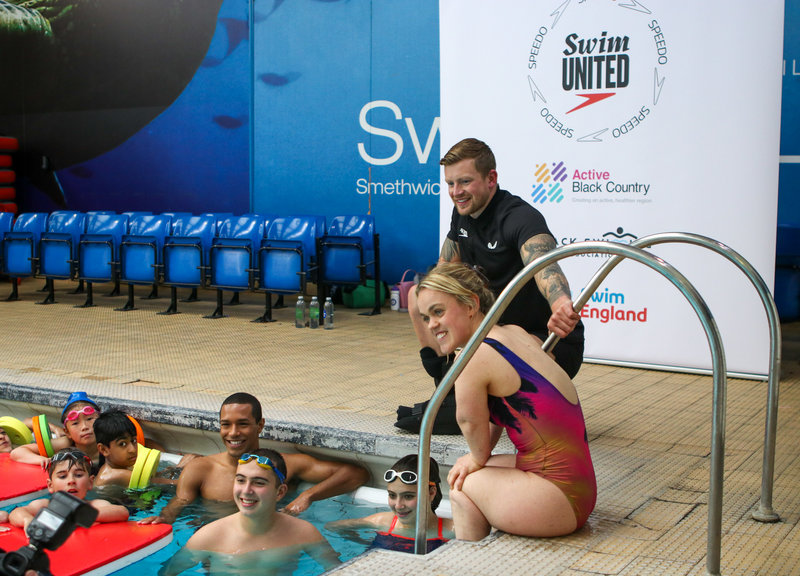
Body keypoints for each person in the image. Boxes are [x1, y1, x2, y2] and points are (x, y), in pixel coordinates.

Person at [399, 139, 585, 433]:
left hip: (543, 341)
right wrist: (425, 302)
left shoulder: (519, 217)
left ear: (491, 179)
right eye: (450, 183)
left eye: (465, 182)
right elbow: (443, 272)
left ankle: (470, 403)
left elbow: (546, 266)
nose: (456, 192)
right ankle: (446, 381)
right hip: (495, 334)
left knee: (492, 342)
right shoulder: (462, 212)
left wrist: (561, 304)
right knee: (417, 297)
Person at [416, 263, 596, 540]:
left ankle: (465, 563)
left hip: (557, 501)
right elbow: (501, 410)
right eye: (426, 317)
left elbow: (468, 420)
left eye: (438, 312)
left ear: (470, 305)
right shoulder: (514, 332)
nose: (432, 325)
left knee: (462, 484)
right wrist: (480, 458)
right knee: (481, 469)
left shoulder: (473, 356)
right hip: (581, 488)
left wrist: (476, 458)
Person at [140, 392, 369, 524]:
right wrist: (162, 519)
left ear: (260, 425)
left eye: (242, 424)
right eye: (225, 425)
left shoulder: (286, 465)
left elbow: (356, 474)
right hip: (218, 546)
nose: (233, 433)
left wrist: (308, 496)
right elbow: (178, 505)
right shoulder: (201, 469)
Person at [159, 448, 340, 576]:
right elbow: (166, 573)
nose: (246, 490)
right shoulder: (209, 537)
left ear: (280, 492)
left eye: (259, 483)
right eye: (240, 480)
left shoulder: (304, 533)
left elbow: (342, 570)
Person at [326, 454, 454, 553]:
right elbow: (333, 526)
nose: (398, 505)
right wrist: (363, 542)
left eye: (408, 496)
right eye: (392, 495)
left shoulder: (452, 530)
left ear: (431, 493)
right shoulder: (382, 522)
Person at [8, 448, 129, 532]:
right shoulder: (45, 505)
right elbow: (15, 513)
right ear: (50, 486)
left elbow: (122, 512)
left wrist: (79, 515)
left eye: (78, 475)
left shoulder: (95, 505)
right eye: (62, 476)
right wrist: (27, 520)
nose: (71, 481)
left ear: (90, 482)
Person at [11, 392, 101, 470]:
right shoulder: (66, 443)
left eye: (89, 419)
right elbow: (17, 452)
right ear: (67, 432)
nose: (84, 427)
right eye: (75, 423)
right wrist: (42, 459)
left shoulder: (110, 439)